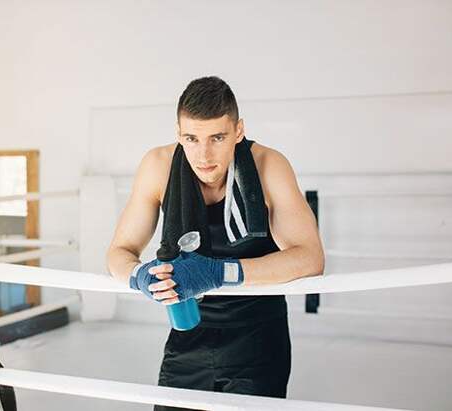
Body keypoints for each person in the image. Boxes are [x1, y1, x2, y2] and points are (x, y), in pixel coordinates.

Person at [106, 76, 324, 410]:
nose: (203, 154)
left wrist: (218, 273)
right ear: (178, 133)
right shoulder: (158, 166)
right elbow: (119, 252)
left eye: (217, 138)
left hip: (258, 336)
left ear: (238, 131)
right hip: (186, 334)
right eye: (191, 138)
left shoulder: (268, 165)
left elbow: (310, 258)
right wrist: (139, 276)